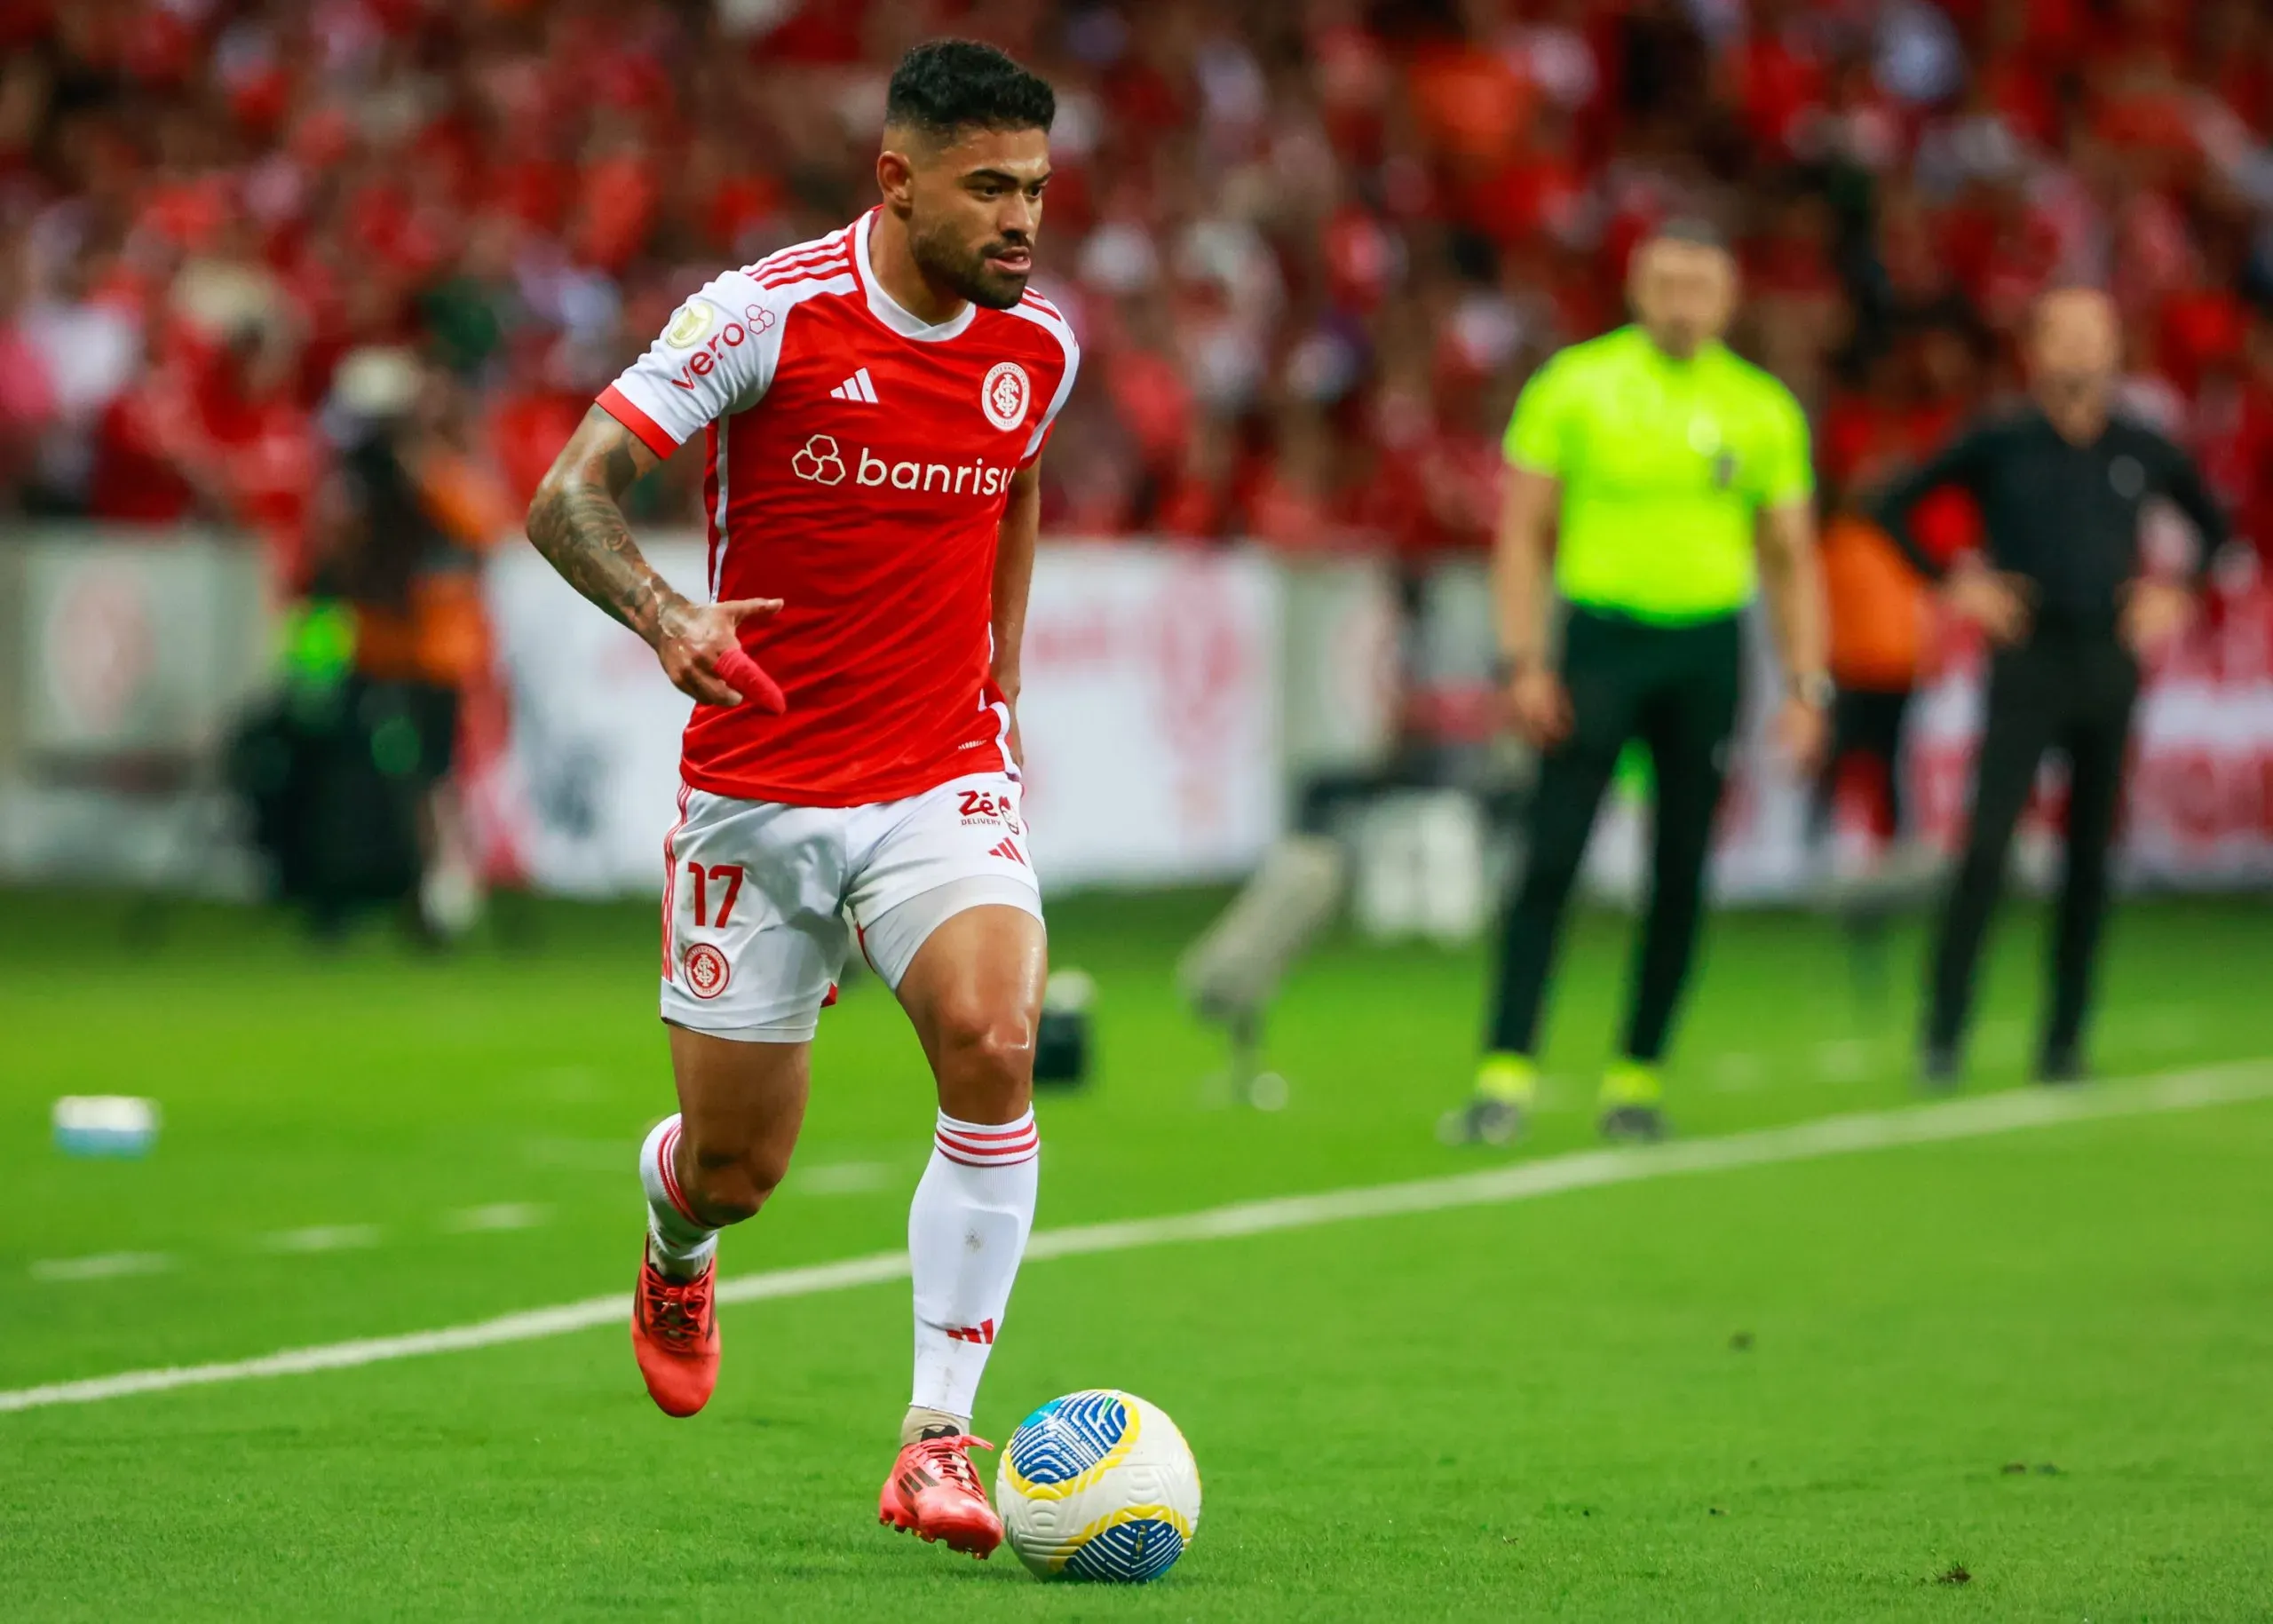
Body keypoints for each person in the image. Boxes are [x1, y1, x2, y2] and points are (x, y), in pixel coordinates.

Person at [523, 40, 1076, 1559]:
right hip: (759, 791)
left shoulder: (1039, 344)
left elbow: (1018, 473)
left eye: (1037, 188)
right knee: (738, 1170)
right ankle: (674, 1231)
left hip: (939, 774)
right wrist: (667, 616)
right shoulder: (762, 315)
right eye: (990, 188)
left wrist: (1001, 671)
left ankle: (937, 1436)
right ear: (896, 180)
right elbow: (566, 495)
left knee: (996, 1039)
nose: (1022, 220)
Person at [1441, 220, 1830, 1147]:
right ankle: (1504, 1073)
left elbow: (1790, 556)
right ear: (1635, 290)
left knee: (1681, 869)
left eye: (1700, 286)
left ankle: (1637, 1078)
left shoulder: (1761, 408)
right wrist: (1523, 659)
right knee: (1550, 856)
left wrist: (1808, 684)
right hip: (1600, 643)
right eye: (1666, 283)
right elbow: (1521, 531)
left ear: (1729, 299)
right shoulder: (1576, 385)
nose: (1682, 303)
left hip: (1706, 647)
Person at [1869, 287, 2222, 1084]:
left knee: (2090, 855)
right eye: (2063, 335)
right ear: (2035, 349)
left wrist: (2178, 591)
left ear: (2115, 349)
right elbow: (1894, 506)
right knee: (1986, 846)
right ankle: (1943, 1032)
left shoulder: (2140, 446)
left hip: (2105, 658)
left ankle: (2065, 1038)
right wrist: (1956, 583)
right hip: (2028, 658)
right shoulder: (2002, 439)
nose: (2078, 350)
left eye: (2093, 335)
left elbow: (2215, 527)